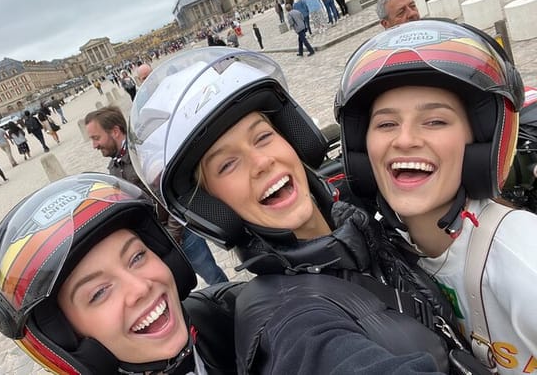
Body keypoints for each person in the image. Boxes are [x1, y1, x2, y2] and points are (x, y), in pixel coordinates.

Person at [128, 47, 485, 374]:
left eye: (263, 137)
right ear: (213, 206)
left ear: (291, 138)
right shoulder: (290, 323)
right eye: (227, 165)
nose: (262, 162)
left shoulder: (362, 214)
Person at [335, 19, 537, 374]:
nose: (405, 139)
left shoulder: (524, 261)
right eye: (386, 124)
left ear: (480, 145)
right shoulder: (392, 251)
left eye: (435, 121)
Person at [0, 173, 243, 374]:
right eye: (99, 292)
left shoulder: (236, 312)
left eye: (137, 257)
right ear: (68, 340)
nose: (140, 288)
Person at [84, 106, 228, 286]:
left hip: (180, 235)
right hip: (157, 240)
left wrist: (174, 234)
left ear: (115, 131)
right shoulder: (114, 166)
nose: (94, 145)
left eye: (96, 138)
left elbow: (171, 193)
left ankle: (229, 302)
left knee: (213, 277)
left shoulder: (143, 154)